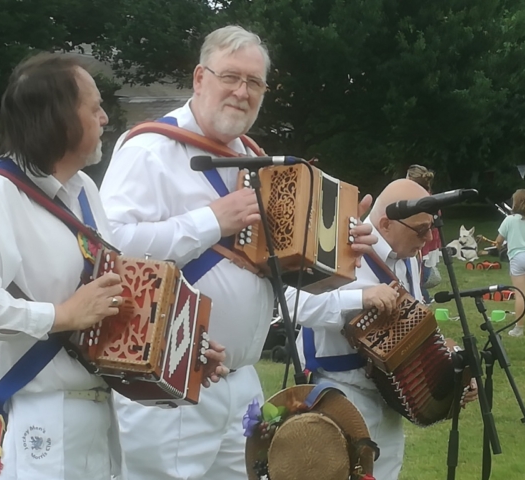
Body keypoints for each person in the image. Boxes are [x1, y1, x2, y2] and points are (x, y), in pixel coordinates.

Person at [99, 25, 376, 480]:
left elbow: (273, 273)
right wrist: (211, 221)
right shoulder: (149, 149)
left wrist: (340, 254)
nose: (241, 92)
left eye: (254, 83)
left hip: (242, 384)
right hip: (172, 383)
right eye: (230, 77)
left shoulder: (257, 159)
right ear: (199, 78)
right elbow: (113, 250)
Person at [0, 52, 225, 480]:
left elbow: (112, 300)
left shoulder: (85, 190)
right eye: (94, 108)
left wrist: (185, 353)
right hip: (26, 418)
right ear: (60, 119)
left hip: (90, 417)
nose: (106, 118)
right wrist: (60, 315)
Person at [286, 179, 477, 480]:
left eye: (430, 228)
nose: (428, 239)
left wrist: (452, 373)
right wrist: (360, 297)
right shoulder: (341, 244)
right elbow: (293, 303)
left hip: (389, 399)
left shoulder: (410, 259)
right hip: (340, 394)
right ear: (386, 223)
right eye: (421, 229)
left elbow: (415, 327)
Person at [496, 189, 525, 337]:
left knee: (520, 294)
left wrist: (498, 246)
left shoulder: (509, 220)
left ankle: (519, 329)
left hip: (518, 258)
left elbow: (498, 241)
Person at [406, 164, 441, 303]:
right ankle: (424, 299)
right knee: (417, 277)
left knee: (418, 277)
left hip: (422, 247)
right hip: (428, 246)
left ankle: (423, 300)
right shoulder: (428, 198)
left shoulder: (422, 202)